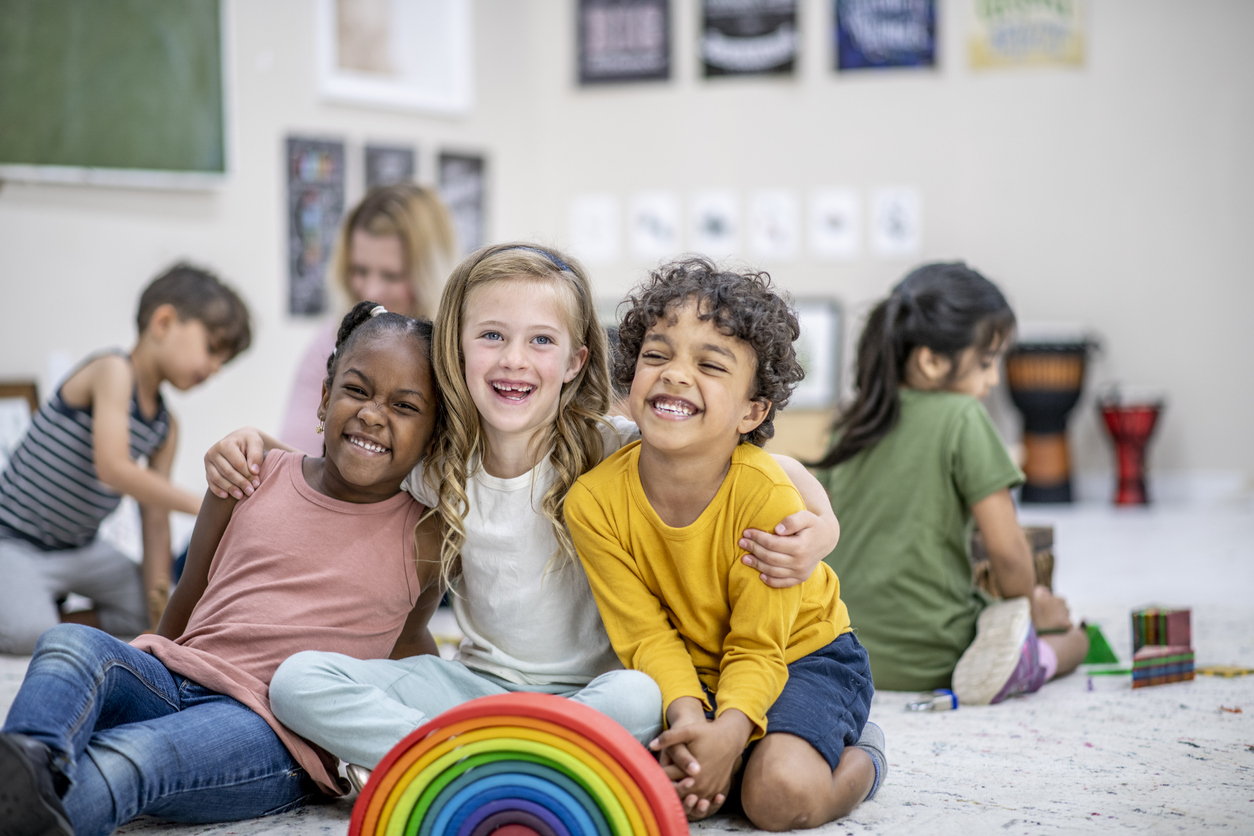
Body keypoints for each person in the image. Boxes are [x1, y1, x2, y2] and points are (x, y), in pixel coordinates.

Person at [203, 243, 840, 786]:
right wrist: (259, 446)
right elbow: (348, 460)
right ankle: (487, 761)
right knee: (297, 681)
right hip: (476, 688)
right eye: (491, 336)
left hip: (593, 693)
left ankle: (461, 761)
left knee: (643, 696)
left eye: (540, 341)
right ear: (455, 350)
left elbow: (769, 470)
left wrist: (824, 528)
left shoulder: (610, 445)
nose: (513, 359)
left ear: (574, 362)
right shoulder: (434, 465)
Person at [0, 302, 445, 836]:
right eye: (357, 390)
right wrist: (144, 667)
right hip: (176, 679)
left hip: (272, 732)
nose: (374, 413)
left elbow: (412, 647)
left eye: (404, 405)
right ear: (325, 399)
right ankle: (29, 764)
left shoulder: (426, 534)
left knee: (133, 755)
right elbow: (187, 598)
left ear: (433, 434)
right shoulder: (250, 474)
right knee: (70, 642)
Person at [565, 258, 884, 831]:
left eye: (710, 365)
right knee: (657, 790)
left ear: (752, 411)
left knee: (778, 796)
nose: (675, 375)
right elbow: (645, 637)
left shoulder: (765, 494)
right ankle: (742, 749)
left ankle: (864, 758)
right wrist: (692, 719)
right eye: (656, 355)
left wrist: (731, 731)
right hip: (694, 666)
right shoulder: (592, 502)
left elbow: (759, 647)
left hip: (804, 656)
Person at [810, 262, 1089, 705]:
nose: (993, 379)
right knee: (1076, 639)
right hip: (937, 656)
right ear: (931, 360)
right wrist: (1031, 608)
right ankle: (1037, 658)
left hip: (842, 649)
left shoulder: (850, 423)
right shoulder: (962, 417)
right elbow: (1008, 552)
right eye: (985, 362)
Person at [0, 263, 251, 656]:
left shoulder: (164, 426)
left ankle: (53, 618)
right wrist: (206, 502)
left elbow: (154, 521)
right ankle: (37, 615)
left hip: (79, 549)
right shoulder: (112, 370)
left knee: (146, 610)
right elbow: (113, 468)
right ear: (164, 322)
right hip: (13, 541)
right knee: (27, 635)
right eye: (212, 348)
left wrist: (158, 619)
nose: (215, 367)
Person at [280, 183, 457, 455]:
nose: (371, 291)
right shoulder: (330, 344)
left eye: (391, 275)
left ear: (428, 275)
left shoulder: (460, 355)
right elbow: (296, 451)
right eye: (360, 270)